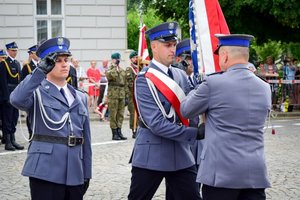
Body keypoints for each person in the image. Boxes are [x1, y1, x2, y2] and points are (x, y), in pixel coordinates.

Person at [180, 34, 271, 200]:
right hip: (255, 173)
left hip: (221, 174)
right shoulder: (264, 87)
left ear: (225, 55)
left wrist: (198, 87)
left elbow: (186, 110)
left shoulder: (213, 83)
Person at [128, 22, 203, 200]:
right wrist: (194, 133)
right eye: (167, 45)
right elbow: (156, 123)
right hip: (152, 153)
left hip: (180, 153)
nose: (172, 49)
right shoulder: (144, 79)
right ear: (154, 46)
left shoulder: (179, 75)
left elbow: (187, 110)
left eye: (174, 45)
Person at [10, 37, 92, 200]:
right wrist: (38, 72)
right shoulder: (37, 92)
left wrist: (86, 172)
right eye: (57, 60)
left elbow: (86, 141)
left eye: (66, 59)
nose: (64, 64)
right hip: (45, 171)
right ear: (46, 63)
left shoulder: (80, 97)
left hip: (74, 172)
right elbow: (16, 99)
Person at [0, 41, 24, 150]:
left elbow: (19, 81)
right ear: (8, 51)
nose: (15, 52)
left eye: (16, 50)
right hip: (8, 94)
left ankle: (13, 140)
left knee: (14, 118)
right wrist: (6, 97)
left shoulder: (17, 64)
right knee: (7, 119)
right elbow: (3, 82)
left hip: (15, 93)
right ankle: (8, 141)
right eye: (13, 50)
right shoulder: (3, 64)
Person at [106, 53, 128, 140]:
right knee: (113, 114)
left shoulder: (122, 71)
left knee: (120, 114)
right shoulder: (109, 70)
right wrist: (113, 67)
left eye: (118, 59)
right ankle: (114, 133)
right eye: (115, 59)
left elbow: (125, 84)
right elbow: (111, 76)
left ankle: (119, 131)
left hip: (121, 95)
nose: (117, 60)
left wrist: (126, 96)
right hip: (113, 95)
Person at [20, 45, 39, 139]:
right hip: (31, 95)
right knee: (30, 114)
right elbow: (23, 83)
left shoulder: (42, 65)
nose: (38, 54)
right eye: (36, 53)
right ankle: (31, 133)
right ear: (31, 54)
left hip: (41, 94)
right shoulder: (26, 67)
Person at [125, 51, 139, 138]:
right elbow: (128, 83)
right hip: (131, 95)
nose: (136, 59)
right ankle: (134, 129)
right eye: (134, 58)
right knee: (133, 113)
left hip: (139, 95)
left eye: (137, 57)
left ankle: (139, 129)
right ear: (131, 59)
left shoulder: (139, 68)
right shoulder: (129, 69)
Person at [0, 49, 7, 141]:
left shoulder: (4, 67)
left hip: (2, 97)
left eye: (5, 58)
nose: (3, 59)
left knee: (4, 118)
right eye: (2, 57)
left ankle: (5, 137)